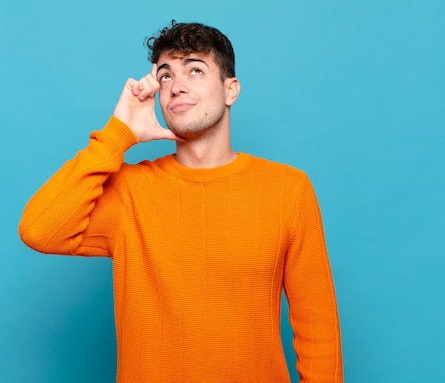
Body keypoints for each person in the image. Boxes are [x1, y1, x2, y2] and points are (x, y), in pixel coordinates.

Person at [19, 21, 343, 383]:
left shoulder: (288, 190)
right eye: (166, 76)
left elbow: (318, 326)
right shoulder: (130, 191)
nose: (178, 86)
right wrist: (117, 134)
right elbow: (39, 230)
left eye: (195, 70)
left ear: (231, 90)